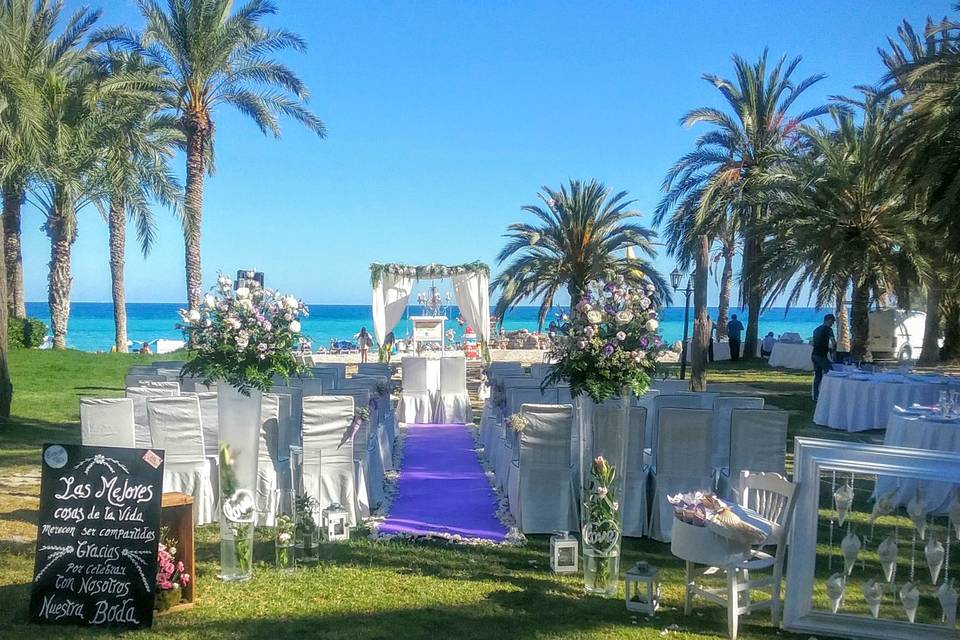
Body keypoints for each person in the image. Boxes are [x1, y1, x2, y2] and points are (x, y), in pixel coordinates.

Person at [811, 313, 837, 402]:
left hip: (814, 355)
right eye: (832, 321)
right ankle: (830, 394)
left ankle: (815, 396)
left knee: (818, 376)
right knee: (832, 373)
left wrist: (827, 348)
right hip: (821, 356)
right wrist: (834, 351)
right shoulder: (829, 330)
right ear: (828, 320)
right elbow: (833, 343)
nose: (833, 324)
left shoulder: (816, 330)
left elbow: (815, 343)